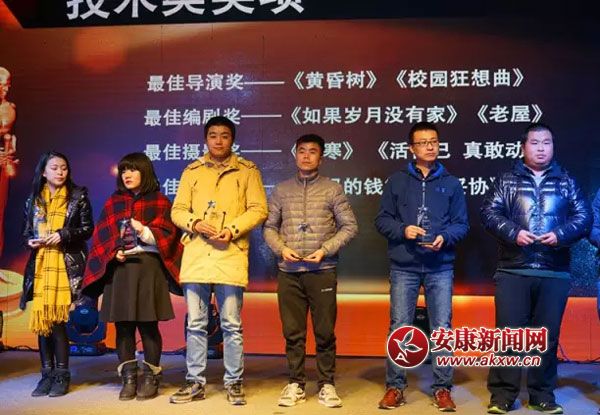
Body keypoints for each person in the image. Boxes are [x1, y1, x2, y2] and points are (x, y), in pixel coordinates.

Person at [481, 123, 591, 415]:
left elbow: (584, 216)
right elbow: (489, 213)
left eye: (547, 142)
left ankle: (542, 395)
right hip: (513, 270)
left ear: (553, 146)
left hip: (554, 271)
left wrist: (561, 235)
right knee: (509, 335)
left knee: (547, 337)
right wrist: (514, 232)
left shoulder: (567, 181)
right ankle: (502, 396)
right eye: (535, 143)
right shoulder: (506, 180)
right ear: (523, 147)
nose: (541, 148)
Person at [170, 116, 267, 405]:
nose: (218, 140)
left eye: (224, 135)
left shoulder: (247, 170)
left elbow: (258, 209)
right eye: (213, 135)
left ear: (232, 140)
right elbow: (177, 210)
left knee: (231, 325)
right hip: (198, 254)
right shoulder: (192, 171)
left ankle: (234, 383)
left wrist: (232, 230)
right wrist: (195, 223)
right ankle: (194, 382)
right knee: (196, 324)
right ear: (206, 139)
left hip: (230, 253)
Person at [375, 122, 468, 411]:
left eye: (434, 142)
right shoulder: (396, 181)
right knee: (400, 326)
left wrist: (445, 237)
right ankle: (395, 387)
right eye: (423, 142)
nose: (429, 146)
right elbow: (382, 220)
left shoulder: (452, 183)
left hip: (440, 266)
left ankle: (442, 388)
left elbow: (462, 224)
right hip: (405, 265)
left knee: (442, 328)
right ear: (411, 148)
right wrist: (403, 230)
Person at [263, 133, 358, 408]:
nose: (306, 156)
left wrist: (325, 250)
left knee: (324, 331)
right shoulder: (281, 190)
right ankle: (296, 383)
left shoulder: (332, 189)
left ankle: (327, 384)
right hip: (289, 271)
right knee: (293, 333)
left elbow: (350, 226)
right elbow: (269, 227)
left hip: (322, 270)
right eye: (301, 150)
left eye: (312, 151)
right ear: (295, 155)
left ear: (321, 157)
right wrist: (281, 249)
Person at [82, 152, 182, 401]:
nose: (127, 174)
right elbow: (103, 238)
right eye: (124, 170)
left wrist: (144, 230)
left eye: (133, 169)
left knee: (148, 325)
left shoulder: (160, 201)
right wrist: (114, 252)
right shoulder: (113, 202)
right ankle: (128, 377)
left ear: (144, 172)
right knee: (123, 326)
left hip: (148, 268)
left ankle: (150, 376)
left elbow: (169, 236)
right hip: (121, 269)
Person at [20, 151, 94, 397]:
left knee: (58, 323)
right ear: (43, 172)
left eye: (64, 168)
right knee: (43, 325)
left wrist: (63, 234)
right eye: (54, 168)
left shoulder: (78, 196)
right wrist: (31, 241)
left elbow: (87, 229)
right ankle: (46, 375)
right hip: (41, 266)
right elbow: (26, 232)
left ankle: (62, 375)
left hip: (65, 265)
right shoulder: (34, 200)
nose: (60, 172)